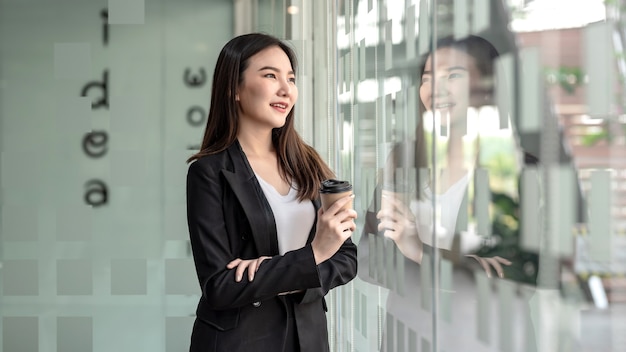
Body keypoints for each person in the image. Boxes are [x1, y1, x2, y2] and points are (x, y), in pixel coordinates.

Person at [358, 35, 540, 351]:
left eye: (452, 75)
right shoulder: (403, 160)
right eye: (427, 78)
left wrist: (416, 250)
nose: (435, 89)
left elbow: (518, 276)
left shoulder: (522, 171)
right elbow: (369, 258)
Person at [186, 32, 358, 352]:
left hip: (308, 339)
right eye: (270, 75)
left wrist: (275, 275)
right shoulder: (208, 173)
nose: (285, 89)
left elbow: (346, 257)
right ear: (233, 88)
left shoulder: (308, 163)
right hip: (239, 342)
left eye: (291, 79)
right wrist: (312, 257)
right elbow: (219, 287)